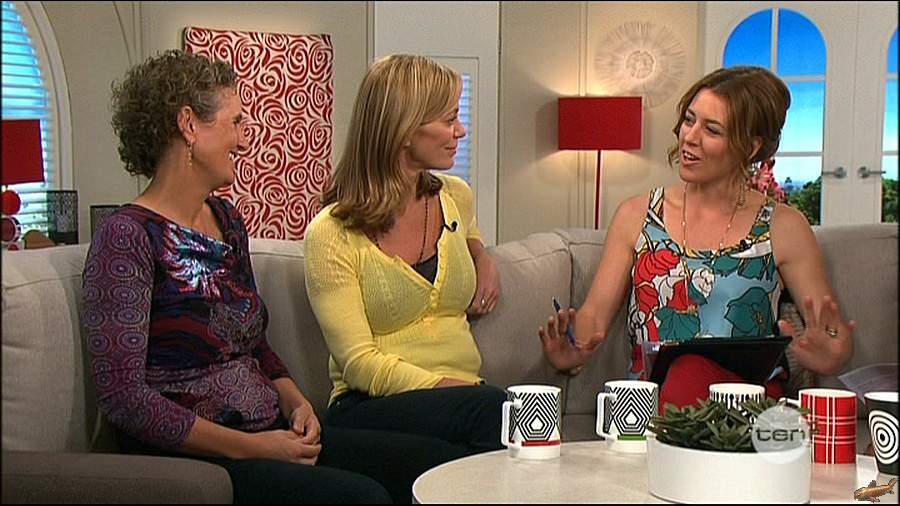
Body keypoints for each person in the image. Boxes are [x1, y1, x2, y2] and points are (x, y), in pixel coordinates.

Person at [83, 49, 468, 504]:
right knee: (362, 497)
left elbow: (255, 345)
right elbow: (124, 398)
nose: (243, 140)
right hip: (199, 459)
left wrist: (297, 402)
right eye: (235, 122)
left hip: (270, 431)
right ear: (189, 125)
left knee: (440, 468)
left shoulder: (226, 220)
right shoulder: (126, 237)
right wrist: (255, 448)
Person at [538, 66, 855, 410]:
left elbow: (832, 334)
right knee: (684, 373)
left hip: (745, 405)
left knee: (690, 370)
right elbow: (594, 318)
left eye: (712, 130)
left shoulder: (784, 226)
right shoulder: (636, 214)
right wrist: (571, 350)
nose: (690, 137)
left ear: (750, 146)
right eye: (689, 120)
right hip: (651, 403)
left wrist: (832, 354)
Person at [303, 54, 507, 457]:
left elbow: (469, 230)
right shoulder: (331, 233)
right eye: (449, 119)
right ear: (404, 130)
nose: (461, 130)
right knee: (497, 412)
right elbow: (358, 363)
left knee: (476, 445)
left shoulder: (455, 197)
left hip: (460, 405)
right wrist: (452, 389)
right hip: (371, 403)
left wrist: (481, 254)